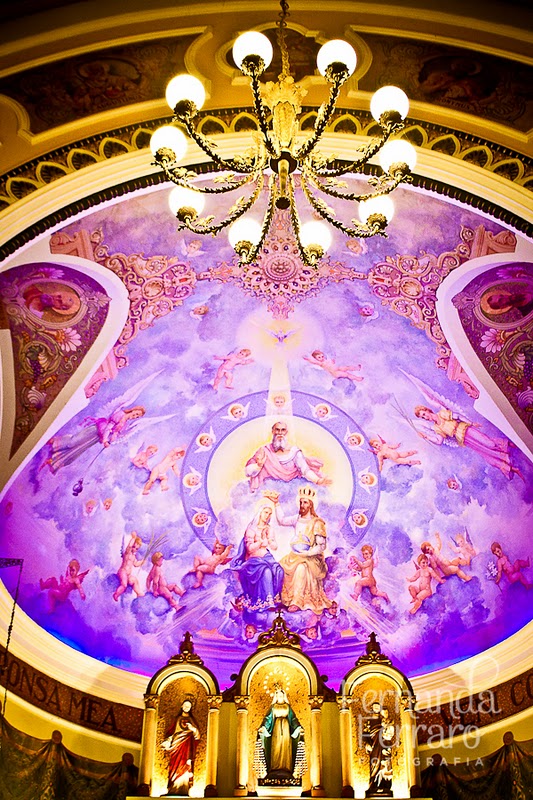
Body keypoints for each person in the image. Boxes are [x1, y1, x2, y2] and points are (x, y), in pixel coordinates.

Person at [413, 405, 522, 480]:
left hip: (467, 430)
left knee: (489, 444)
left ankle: (512, 444)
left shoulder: (441, 414)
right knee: (486, 453)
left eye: (424, 414)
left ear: (427, 410)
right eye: (422, 417)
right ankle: (510, 467)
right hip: (464, 440)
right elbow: (439, 441)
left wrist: (471, 423)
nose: (425, 417)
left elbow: (458, 416)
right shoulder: (436, 428)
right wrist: (426, 437)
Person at [270, 487, 332, 614]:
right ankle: (281, 598)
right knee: (279, 567)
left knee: (300, 569)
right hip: (295, 556)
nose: (302, 505)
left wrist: (307, 553)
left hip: (311, 558)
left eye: (305, 502)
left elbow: (321, 546)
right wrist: (276, 503)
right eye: (301, 502)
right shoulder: (297, 519)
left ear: (311, 505)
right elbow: (281, 521)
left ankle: (297, 601)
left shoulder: (317, 523)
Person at [245, 421, 330, 493]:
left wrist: (317, 480)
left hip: (290, 490)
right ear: (273, 431)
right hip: (267, 490)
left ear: (286, 432)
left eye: (283, 430)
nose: (280, 433)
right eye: (277, 430)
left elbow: (305, 470)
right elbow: (248, 472)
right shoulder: (264, 450)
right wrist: (258, 466)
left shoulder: (294, 452)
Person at [231, 506, 284, 608]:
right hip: (254, 560)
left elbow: (274, 547)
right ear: (260, 512)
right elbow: (250, 549)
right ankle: (266, 602)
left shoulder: (269, 529)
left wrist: (270, 540)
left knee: (279, 571)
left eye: (270, 513)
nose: (267, 515)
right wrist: (260, 541)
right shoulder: (251, 529)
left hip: (267, 557)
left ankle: (274, 597)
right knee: (266, 571)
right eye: (266, 512)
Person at [254, 684, 305, 784]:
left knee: (285, 748)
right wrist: (263, 727)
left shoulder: (287, 707)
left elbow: (293, 719)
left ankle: (286, 767)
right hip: (276, 729)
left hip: (286, 729)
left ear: (284, 696)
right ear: (276, 696)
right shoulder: (273, 707)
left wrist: (298, 727)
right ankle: (275, 767)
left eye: (281, 695)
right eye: (278, 695)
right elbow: (268, 719)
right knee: (276, 748)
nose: (280, 697)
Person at [161, 700, 201, 796]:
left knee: (185, 765)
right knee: (174, 766)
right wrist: (168, 741)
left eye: (189, 706)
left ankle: (183, 787)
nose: (187, 707)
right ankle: (173, 787)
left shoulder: (192, 720)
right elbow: (171, 733)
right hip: (176, 746)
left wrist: (193, 728)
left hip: (187, 746)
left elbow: (197, 736)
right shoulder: (177, 719)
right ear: (181, 706)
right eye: (185, 705)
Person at [362, 702, 395, 796]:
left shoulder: (385, 721)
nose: (376, 708)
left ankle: (385, 784)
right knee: (374, 763)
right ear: (371, 708)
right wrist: (366, 743)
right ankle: (374, 784)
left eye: (378, 707)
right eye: (375, 707)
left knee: (385, 763)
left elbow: (390, 733)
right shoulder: (369, 721)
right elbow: (365, 734)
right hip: (374, 746)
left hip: (384, 745)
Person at [113, 532, 145, 601]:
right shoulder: (127, 552)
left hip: (128, 575)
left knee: (135, 581)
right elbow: (130, 546)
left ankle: (139, 593)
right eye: (134, 547)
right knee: (124, 584)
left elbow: (136, 564)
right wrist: (134, 538)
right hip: (122, 572)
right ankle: (116, 594)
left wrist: (142, 561)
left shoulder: (134, 556)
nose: (134, 549)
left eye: (136, 549)